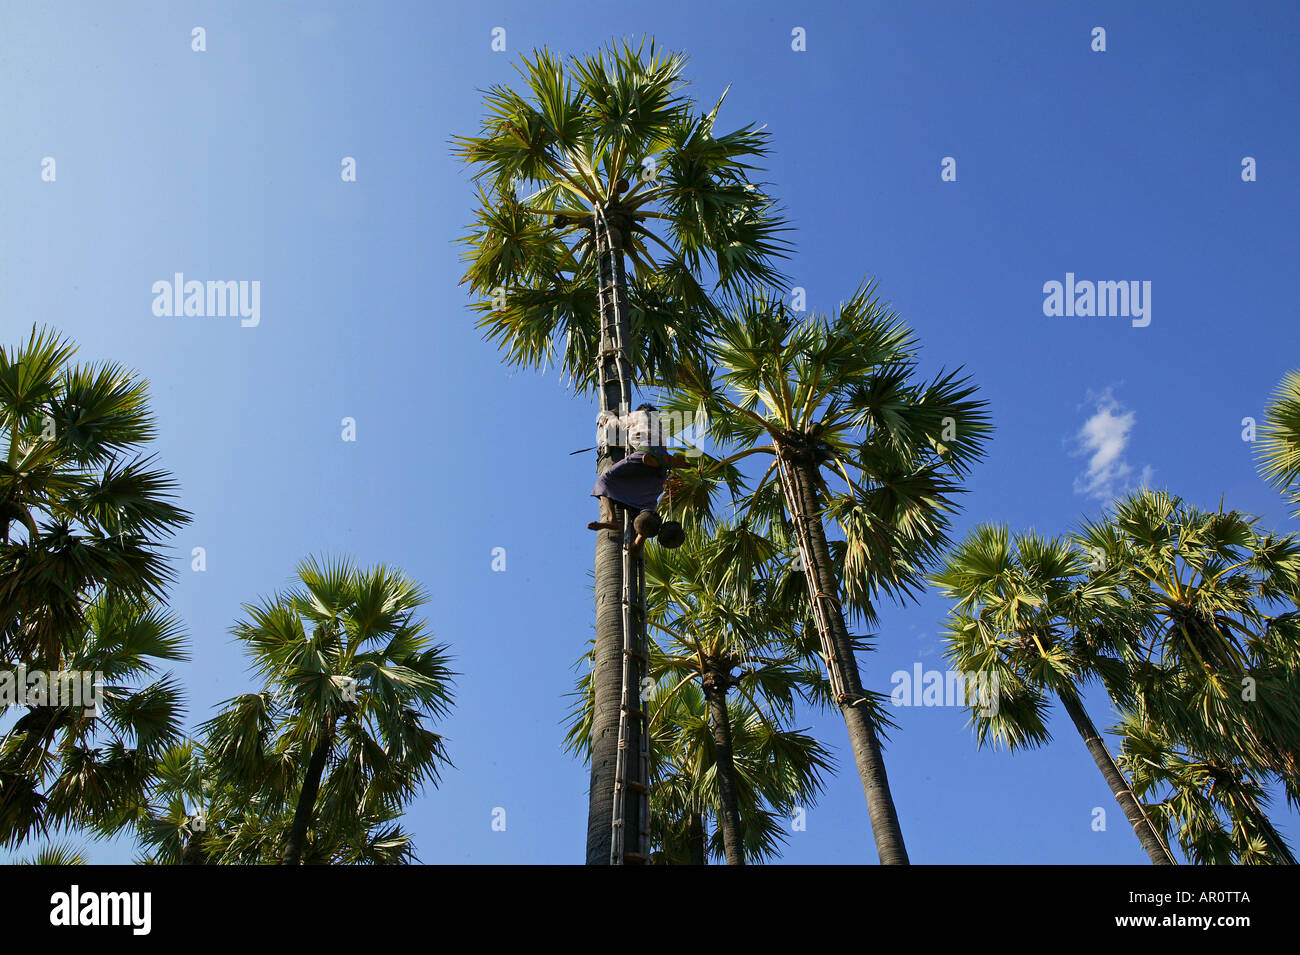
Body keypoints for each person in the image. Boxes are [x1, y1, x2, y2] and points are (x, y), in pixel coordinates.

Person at [588, 403, 675, 531]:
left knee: (604, 481)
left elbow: (616, 424)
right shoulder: (659, 426)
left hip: (645, 454)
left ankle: (611, 519)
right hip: (662, 465)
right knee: (648, 504)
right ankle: (638, 542)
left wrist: (606, 419)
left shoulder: (638, 415)